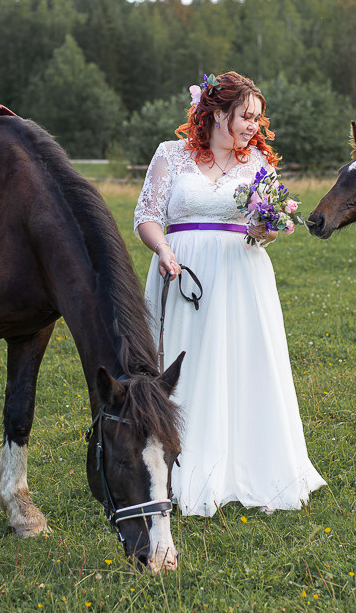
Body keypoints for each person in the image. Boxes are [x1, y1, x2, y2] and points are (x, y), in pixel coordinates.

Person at [134, 71, 326, 517]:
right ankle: (175, 463)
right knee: (187, 363)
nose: (253, 126)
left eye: (258, 119)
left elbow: (272, 227)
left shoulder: (259, 165)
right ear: (219, 113)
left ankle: (244, 463)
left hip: (241, 276)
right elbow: (146, 216)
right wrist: (163, 248)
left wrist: (267, 228)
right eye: (245, 117)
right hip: (182, 270)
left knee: (241, 363)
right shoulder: (171, 156)